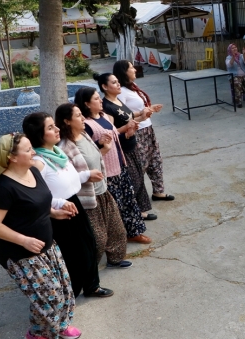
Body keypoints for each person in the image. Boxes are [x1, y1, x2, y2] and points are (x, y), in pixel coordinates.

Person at [0, 133, 80, 339]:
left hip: (46, 244)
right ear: (12, 157)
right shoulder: (4, 188)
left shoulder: (33, 171)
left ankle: (60, 324)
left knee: (64, 290)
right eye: (28, 150)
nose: (34, 152)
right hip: (20, 252)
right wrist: (23, 240)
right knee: (48, 296)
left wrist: (53, 213)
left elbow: (37, 203)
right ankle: (36, 333)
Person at [22, 112, 113, 299]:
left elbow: (66, 179)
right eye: (50, 128)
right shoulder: (38, 162)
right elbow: (34, 194)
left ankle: (91, 286)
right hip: (58, 212)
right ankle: (69, 293)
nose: (57, 130)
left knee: (89, 245)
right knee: (72, 253)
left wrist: (86, 175)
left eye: (54, 125)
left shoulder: (57, 152)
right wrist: (56, 204)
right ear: (39, 134)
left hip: (74, 203)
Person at [56, 103, 132, 269]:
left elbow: (94, 159)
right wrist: (87, 176)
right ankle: (88, 272)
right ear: (67, 121)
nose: (83, 118)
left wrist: (103, 147)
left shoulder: (84, 135)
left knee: (117, 231)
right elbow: (65, 177)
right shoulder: (64, 147)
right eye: (78, 116)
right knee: (97, 239)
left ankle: (115, 259)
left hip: (103, 191)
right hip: (87, 200)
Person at [74, 87, 151, 245]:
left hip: (119, 164)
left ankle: (133, 232)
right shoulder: (87, 125)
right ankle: (118, 239)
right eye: (96, 99)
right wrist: (100, 143)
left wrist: (127, 132)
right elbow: (90, 148)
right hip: (107, 172)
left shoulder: (103, 116)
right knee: (116, 207)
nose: (101, 100)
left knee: (129, 200)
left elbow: (114, 135)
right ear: (87, 104)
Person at [113, 60, 176, 204]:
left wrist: (149, 110)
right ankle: (135, 201)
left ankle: (158, 191)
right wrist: (141, 114)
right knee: (140, 165)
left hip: (148, 128)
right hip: (138, 131)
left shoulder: (133, 88)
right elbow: (122, 115)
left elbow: (137, 109)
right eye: (131, 68)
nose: (134, 69)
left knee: (155, 159)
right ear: (124, 72)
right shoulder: (121, 92)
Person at [94, 73, 155, 219]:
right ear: (104, 87)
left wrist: (144, 115)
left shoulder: (118, 101)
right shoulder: (107, 107)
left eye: (118, 81)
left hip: (132, 144)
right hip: (122, 148)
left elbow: (130, 119)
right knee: (133, 181)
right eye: (114, 82)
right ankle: (135, 214)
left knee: (139, 177)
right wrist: (127, 128)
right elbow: (111, 132)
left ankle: (141, 211)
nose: (118, 84)